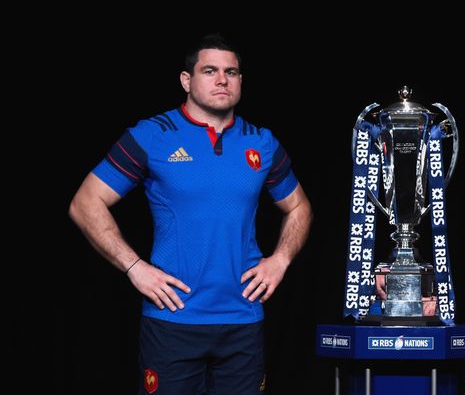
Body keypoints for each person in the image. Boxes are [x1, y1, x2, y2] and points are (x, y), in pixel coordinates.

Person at [69, 34, 312, 394]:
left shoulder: (261, 141)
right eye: (209, 70)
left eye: (231, 72)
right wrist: (135, 267)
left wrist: (280, 259)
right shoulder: (153, 136)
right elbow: (85, 203)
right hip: (172, 322)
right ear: (187, 80)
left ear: (241, 81)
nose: (221, 80)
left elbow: (299, 206)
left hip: (242, 323)